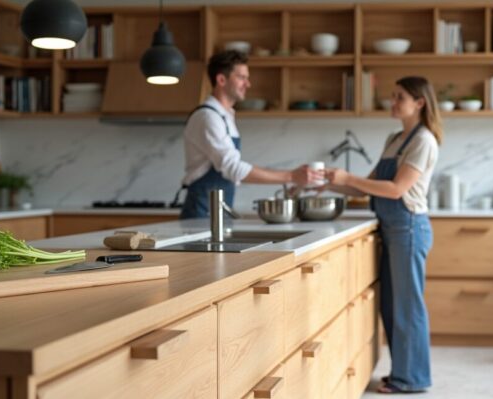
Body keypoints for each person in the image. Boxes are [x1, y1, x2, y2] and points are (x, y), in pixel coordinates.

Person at [325, 76, 442, 394]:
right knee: (391, 305)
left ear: (419, 103)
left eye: (399, 97)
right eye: (393, 96)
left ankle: (411, 379)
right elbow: (367, 185)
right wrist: (328, 183)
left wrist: (348, 178)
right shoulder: (396, 139)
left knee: (408, 307)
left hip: (409, 228)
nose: (393, 102)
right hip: (391, 229)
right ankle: (401, 372)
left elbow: (395, 189)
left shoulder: (423, 140)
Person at [179, 50, 319, 219]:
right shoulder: (208, 117)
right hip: (202, 212)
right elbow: (233, 168)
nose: (248, 84)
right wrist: (291, 176)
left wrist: (292, 177)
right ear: (221, 80)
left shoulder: (225, 116)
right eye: (241, 77)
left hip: (218, 209)